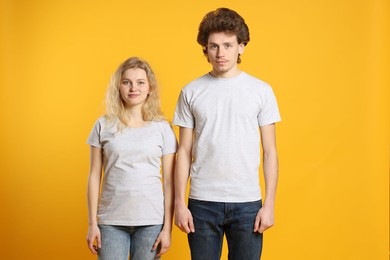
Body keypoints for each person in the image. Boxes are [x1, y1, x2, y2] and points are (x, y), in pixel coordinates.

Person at [173, 8, 281, 260]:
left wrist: (270, 204)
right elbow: (184, 151)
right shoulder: (191, 91)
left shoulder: (261, 91)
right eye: (213, 46)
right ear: (205, 49)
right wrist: (180, 203)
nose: (220, 53)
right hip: (202, 202)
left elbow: (270, 151)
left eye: (228, 45)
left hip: (247, 202)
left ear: (241, 47)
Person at [86, 57, 177, 260]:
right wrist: (93, 224)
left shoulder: (162, 128)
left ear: (149, 88)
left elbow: (170, 183)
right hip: (111, 221)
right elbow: (94, 176)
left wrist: (167, 229)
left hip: (151, 221)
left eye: (140, 82)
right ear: (118, 86)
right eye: (126, 82)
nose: (133, 88)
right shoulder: (103, 125)